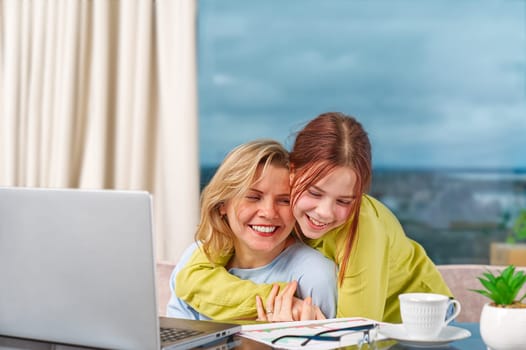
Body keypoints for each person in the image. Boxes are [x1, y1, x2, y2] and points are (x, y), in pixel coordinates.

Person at [174, 112, 453, 323]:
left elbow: (356, 336)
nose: (324, 212)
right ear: (292, 172)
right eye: (315, 192)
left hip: (417, 323)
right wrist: (284, 299)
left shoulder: (362, 229)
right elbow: (191, 278)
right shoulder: (278, 214)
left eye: (344, 200)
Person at [166, 139, 337, 320]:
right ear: (222, 204)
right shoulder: (195, 258)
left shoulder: (315, 276)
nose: (269, 213)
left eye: (284, 200)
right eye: (253, 197)